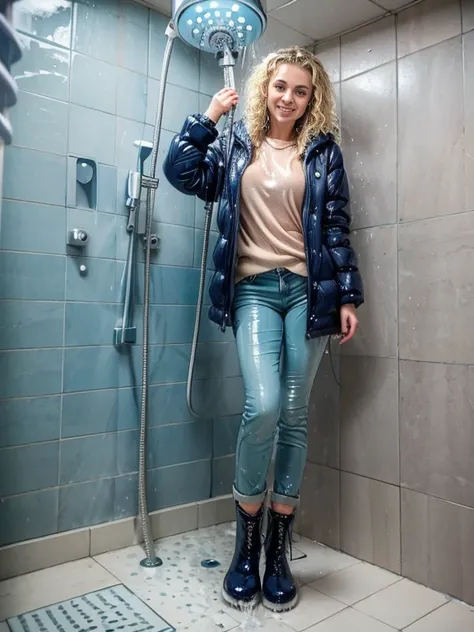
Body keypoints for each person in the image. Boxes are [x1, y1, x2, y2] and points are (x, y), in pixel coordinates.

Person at [163, 46, 364, 613]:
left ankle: (277, 550)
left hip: (308, 291)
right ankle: (244, 545)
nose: (288, 98)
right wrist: (206, 117)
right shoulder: (234, 145)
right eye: (280, 86)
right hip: (253, 288)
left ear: (311, 98)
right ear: (265, 88)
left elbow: (337, 227)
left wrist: (348, 296)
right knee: (265, 404)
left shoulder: (322, 154)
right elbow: (182, 175)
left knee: (295, 413)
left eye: (300, 91)